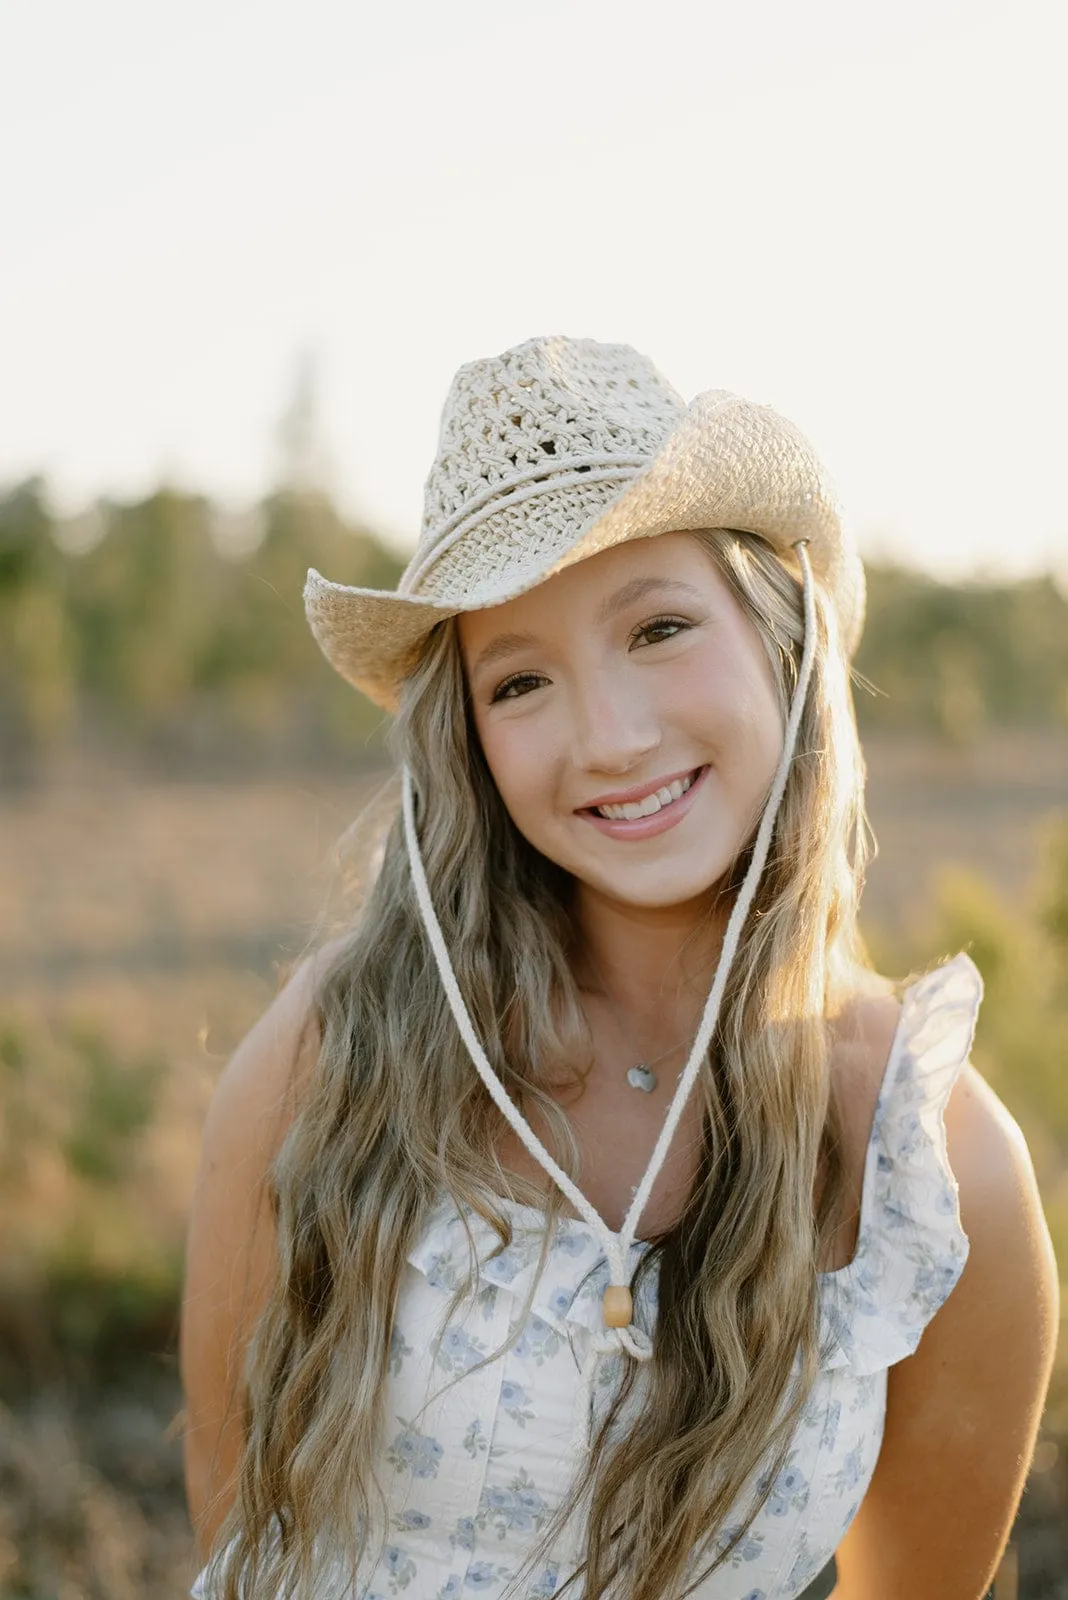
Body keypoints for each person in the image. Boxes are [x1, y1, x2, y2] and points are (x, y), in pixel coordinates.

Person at [181, 336, 1058, 1600]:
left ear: (782, 640)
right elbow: (238, 1534)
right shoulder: (338, 1054)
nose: (610, 736)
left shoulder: (929, 1171)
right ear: (468, 738)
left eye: (658, 626)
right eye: (521, 678)